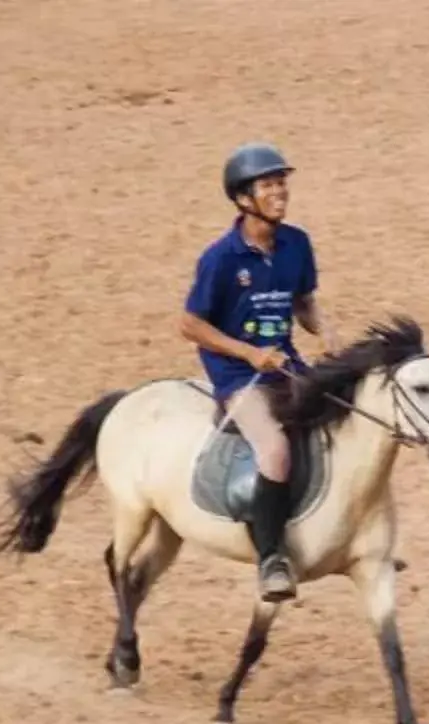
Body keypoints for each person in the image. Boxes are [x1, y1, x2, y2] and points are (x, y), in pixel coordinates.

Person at [178, 143, 323, 603]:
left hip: (286, 365)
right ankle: (272, 559)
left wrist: (331, 336)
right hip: (238, 378)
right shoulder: (220, 259)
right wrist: (248, 353)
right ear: (243, 198)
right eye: (269, 185)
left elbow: (303, 302)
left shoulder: (296, 243)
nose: (280, 192)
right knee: (276, 449)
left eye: (282, 183)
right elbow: (190, 324)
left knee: (341, 421)